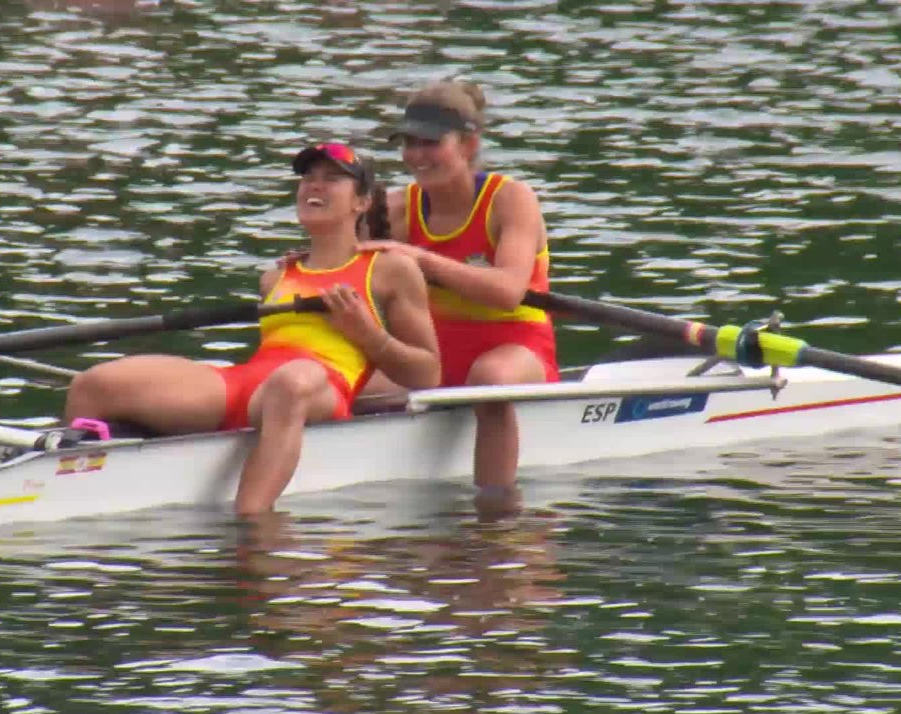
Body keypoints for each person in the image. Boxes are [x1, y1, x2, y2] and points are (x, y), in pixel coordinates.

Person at [64, 142, 441, 515]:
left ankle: (253, 525)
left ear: (361, 203)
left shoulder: (391, 270)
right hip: (250, 386)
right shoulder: (275, 275)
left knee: (291, 382)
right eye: (308, 178)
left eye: (332, 179)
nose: (314, 186)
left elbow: (427, 373)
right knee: (94, 384)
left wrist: (365, 332)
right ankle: (68, 490)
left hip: (321, 387)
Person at [358, 79, 559, 514]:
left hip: (516, 349)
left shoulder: (510, 199)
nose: (415, 156)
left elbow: (508, 292)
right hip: (433, 355)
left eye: (430, 143)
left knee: (489, 378)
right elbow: (348, 268)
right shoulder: (393, 208)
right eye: (408, 143)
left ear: (469, 143)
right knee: (334, 376)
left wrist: (416, 258)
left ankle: (497, 514)